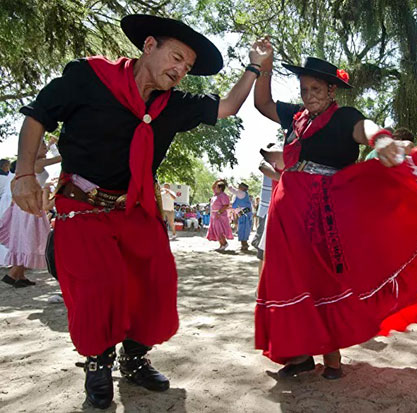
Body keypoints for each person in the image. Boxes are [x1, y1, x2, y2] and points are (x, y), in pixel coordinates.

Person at [10, 14, 271, 409]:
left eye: (187, 68)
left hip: (134, 207)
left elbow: (229, 106)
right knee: (100, 286)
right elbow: (37, 114)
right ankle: (98, 364)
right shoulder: (89, 76)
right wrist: (24, 173)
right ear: (149, 46)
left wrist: (254, 66)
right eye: (177, 57)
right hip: (81, 205)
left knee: (156, 282)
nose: (181, 71)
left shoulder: (174, 106)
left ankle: (134, 358)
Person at [253, 54, 417, 379]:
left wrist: (382, 138)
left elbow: (365, 128)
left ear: (332, 89)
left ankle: (332, 359)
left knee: (324, 278)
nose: (310, 95)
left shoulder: (345, 117)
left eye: (316, 88)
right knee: (286, 278)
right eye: (305, 89)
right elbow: (262, 103)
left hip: (326, 212)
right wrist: (262, 67)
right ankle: (298, 355)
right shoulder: (296, 116)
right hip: (287, 208)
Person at [1, 140, 60, 287]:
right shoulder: (37, 163)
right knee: (32, 239)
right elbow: (62, 157)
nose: (45, 148)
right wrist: (57, 145)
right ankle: (14, 273)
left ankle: (19, 276)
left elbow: (14, 184)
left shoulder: (25, 166)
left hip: (24, 207)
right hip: (31, 208)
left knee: (26, 239)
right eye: (43, 145)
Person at [252, 154, 281, 276]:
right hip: (270, 209)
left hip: (286, 209)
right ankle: (261, 289)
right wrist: (283, 178)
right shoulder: (277, 157)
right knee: (264, 252)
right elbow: (263, 165)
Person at [206, 179, 234, 251]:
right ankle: (221, 244)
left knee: (219, 230)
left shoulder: (223, 196)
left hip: (219, 215)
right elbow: (212, 187)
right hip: (213, 215)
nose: (215, 188)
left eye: (217, 187)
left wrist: (219, 212)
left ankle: (224, 243)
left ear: (220, 188)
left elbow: (226, 205)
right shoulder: (216, 194)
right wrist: (217, 181)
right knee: (215, 229)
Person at [230, 182, 253, 251]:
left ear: (243, 188)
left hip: (244, 213)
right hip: (244, 213)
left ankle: (244, 244)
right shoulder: (242, 194)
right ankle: (244, 244)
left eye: (240, 186)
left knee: (243, 229)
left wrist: (227, 184)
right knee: (243, 229)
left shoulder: (241, 193)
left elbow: (231, 189)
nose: (238, 187)